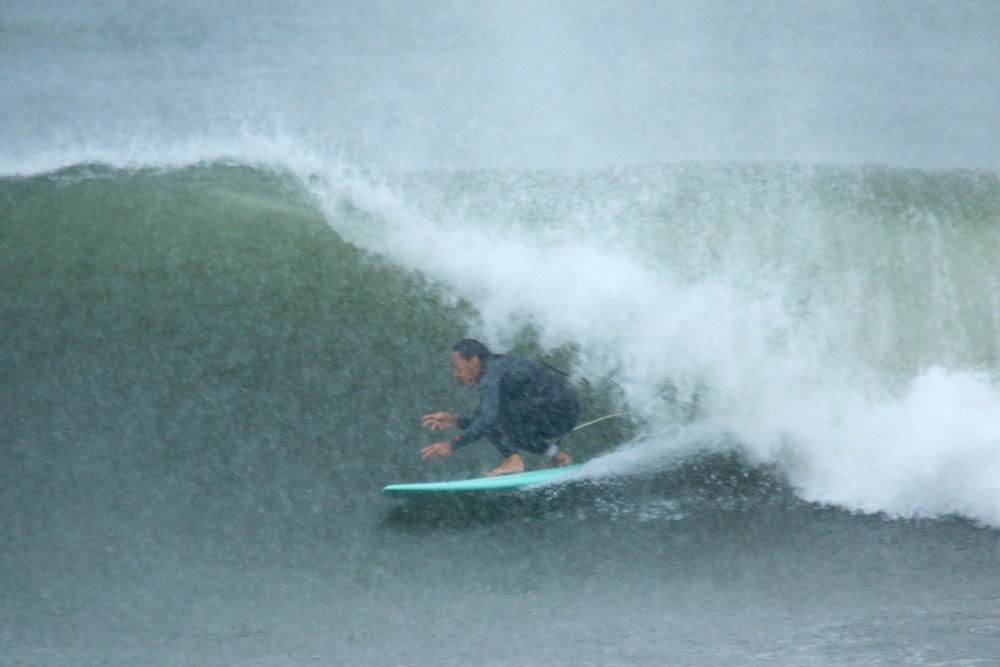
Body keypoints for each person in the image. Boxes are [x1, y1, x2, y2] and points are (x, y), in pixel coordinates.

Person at [421, 339, 580, 476]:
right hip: (563, 413)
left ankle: (513, 460)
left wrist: (452, 446)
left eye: (457, 367)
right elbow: (487, 424)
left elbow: (488, 421)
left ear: (474, 361)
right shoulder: (499, 367)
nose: (455, 375)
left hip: (555, 412)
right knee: (491, 416)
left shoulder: (490, 377)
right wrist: (456, 421)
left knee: (493, 417)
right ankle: (557, 456)